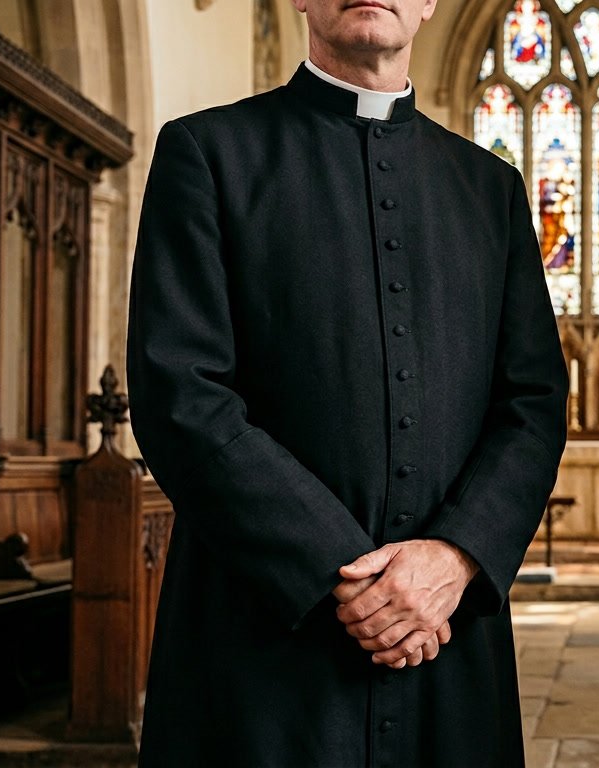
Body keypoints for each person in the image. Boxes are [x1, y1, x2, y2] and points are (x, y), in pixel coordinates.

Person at [126, 0, 568, 764]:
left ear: (429, 4)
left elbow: (532, 403)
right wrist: (343, 570)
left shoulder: (490, 188)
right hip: (260, 650)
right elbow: (181, 395)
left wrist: (456, 556)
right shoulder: (208, 152)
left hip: (446, 636)